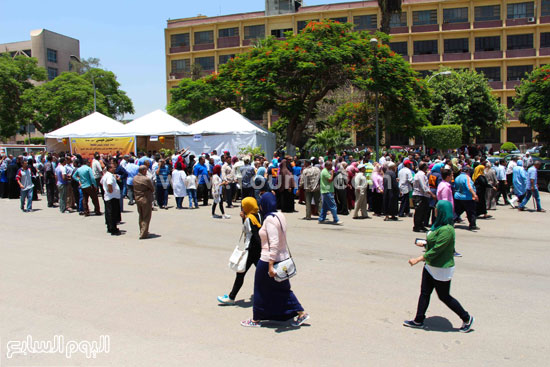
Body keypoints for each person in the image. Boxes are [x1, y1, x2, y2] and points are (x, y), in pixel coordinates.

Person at [404, 200, 474, 333]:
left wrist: (418, 259)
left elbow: (437, 249)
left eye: (437, 208)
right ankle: (418, 320)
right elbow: (434, 243)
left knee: (444, 296)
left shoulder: (447, 229)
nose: (435, 209)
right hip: (430, 266)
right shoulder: (437, 225)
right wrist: (424, 244)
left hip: (442, 267)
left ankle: (466, 318)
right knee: (424, 293)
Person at [241, 192, 309, 327]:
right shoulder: (279, 215)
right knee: (283, 289)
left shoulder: (269, 220)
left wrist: (271, 265)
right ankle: (301, 313)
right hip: (282, 258)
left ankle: (256, 319)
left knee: (260, 288)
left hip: (269, 260)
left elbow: (274, 243)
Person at [218, 197, 262, 304]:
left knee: (240, 273)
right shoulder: (258, 215)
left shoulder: (249, 219)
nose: (242, 208)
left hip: (251, 250)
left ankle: (231, 297)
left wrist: (244, 218)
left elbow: (252, 233)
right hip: (257, 250)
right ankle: (274, 293)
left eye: (243, 206)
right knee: (263, 273)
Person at [133, 165, 155, 239]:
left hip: (137, 198)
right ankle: (144, 233)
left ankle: (141, 230)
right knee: (146, 217)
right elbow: (152, 189)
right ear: (144, 171)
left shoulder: (135, 178)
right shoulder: (146, 179)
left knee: (141, 215)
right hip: (145, 199)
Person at [101, 163, 122, 235]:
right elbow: (109, 183)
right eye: (113, 168)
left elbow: (101, 182)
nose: (115, 169)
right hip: (112, 197)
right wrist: (110, 190)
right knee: (112, 213)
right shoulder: (109, 176)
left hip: (109, 197)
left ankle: (110, 227)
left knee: (109, 212)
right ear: (110, 169)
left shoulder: (106, 175)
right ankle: (113, 228)